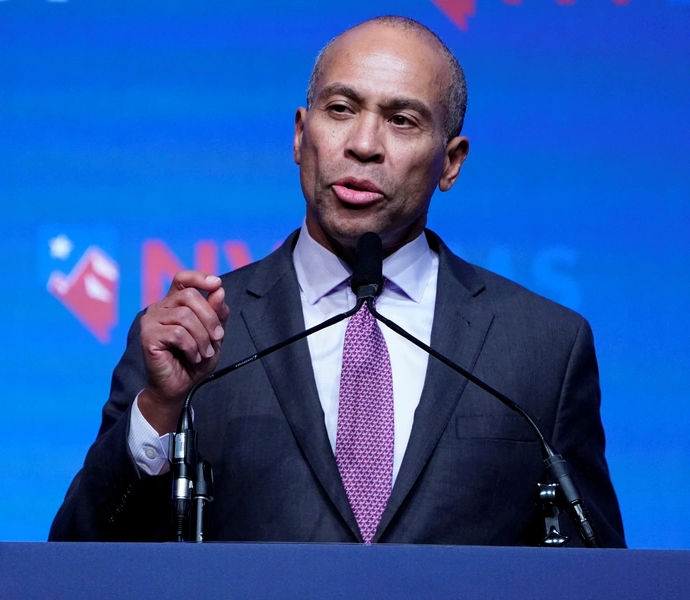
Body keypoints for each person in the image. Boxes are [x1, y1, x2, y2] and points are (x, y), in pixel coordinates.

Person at [49, 16, 625, 547]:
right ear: (301, 135)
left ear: (451, 162)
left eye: (402, 120)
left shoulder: (544, 346)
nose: (364, 145)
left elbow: (597, 574)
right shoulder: (196, 334)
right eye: (341, 109)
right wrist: (159, 410)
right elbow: (78, 558)